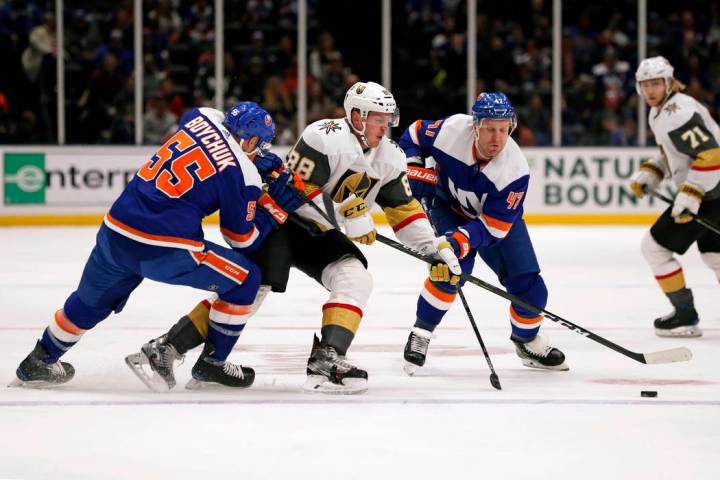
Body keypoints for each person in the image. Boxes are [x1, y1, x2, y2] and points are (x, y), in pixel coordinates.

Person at [129, 81, 460, 394]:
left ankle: (326, 359)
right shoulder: (324, 136)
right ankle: (168, 347)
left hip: (315, 230)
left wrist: (433, 250)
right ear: (356, 116)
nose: (385, 127)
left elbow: (404, 210)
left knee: (355, 278)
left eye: (388, 119)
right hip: (277, 221)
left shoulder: (391, 156)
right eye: (378, 119)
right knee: (251, 289)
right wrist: (351, 210)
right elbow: (295, 192)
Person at [11, 102, 303, 389]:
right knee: (246, 279)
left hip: (116, 229)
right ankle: (212, 364)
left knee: (90, 302)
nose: (262, 152)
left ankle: (40, 360)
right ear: (250, 139)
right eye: (260, 145)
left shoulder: (202, 116)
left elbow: (202, 144)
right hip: (164, 247)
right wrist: (273, 210)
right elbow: (241, 238)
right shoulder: (244, 174)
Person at [399, 92, 568, 373]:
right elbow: (413, 134)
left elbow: (494, 227)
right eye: (490, 129)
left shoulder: (514, 171)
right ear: (474, 126)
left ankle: (526, 340)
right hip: (446, 207)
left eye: (504, 130)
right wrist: (414, 166)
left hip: (491, 224)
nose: (497, 138)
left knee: (531, 288)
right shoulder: (452, 131)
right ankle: (422, 332)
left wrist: (460, 240)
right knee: (450, 270)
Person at [629, 56, 720, 337]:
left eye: (655, 84)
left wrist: (690, 196)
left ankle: (684, 315)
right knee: (716, 256)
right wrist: (653, 172)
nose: (650, 91)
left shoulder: (676, 113)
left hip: (709, 194)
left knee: (654, 248)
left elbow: (712, 155)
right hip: (714, 192)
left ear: (668, 82)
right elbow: (679, 153)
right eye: (645, 85)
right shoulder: (663, 109)